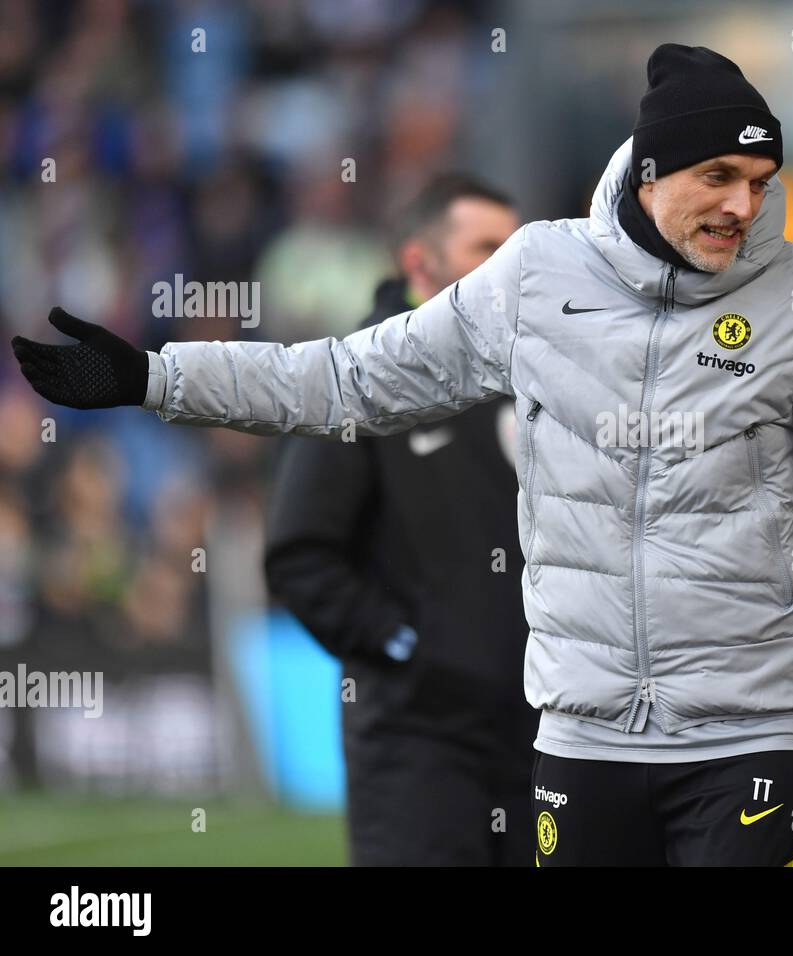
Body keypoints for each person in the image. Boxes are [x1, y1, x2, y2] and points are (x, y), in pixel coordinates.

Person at [11, 44, 793, 867]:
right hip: (581, 735)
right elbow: (347, 380)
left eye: (760, 182)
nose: (743, 203)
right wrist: (154, 378)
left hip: (754, 729)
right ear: (657, 168)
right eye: (719, 175)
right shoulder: (535, 278)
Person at [262, 174, 536, 866]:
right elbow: (301, 553)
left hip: (539, 737)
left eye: (515, 250)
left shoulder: (533, 372)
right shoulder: (356, 377)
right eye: (486, 248)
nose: (509, 269)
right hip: (419, 744)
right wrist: (408, 646)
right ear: (420, 262)